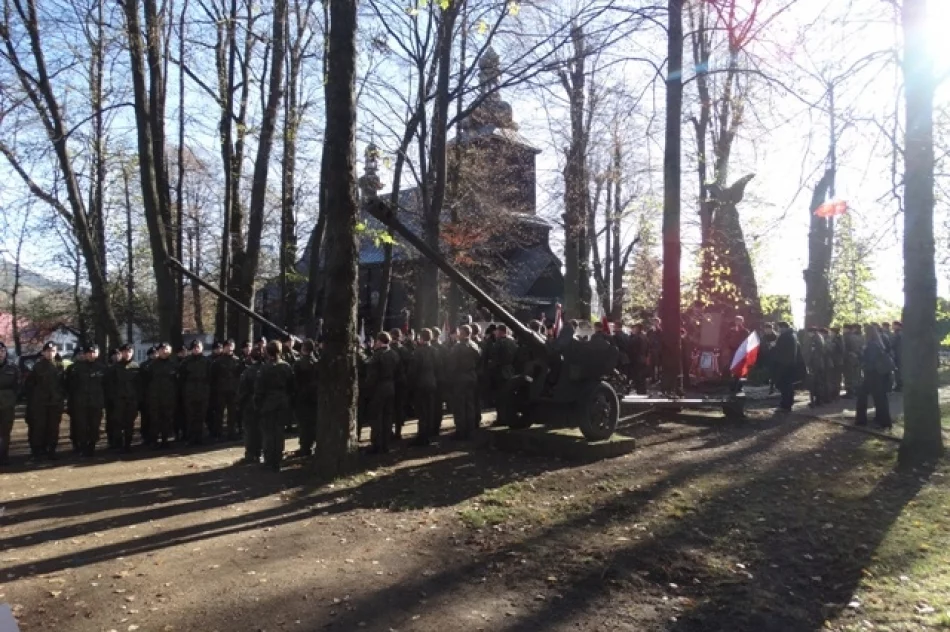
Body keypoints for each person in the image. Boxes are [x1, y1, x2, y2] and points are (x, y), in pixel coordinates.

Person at [255, 341, 295, 471]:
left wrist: (258, 404)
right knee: (279, 432)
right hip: (282, 402)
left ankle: (269, 460)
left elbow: (259, 389)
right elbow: (292, 386)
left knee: (268, 433)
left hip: (268, 403)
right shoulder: (286, 367)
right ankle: (277, 459)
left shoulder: (264, 369)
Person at [25, 342, 65, 460]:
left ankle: (51, 449)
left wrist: (60, 397)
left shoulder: (59, 365)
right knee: (39, 427)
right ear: (43, 352)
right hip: (40, 403)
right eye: (47, 351)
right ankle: (37, 451)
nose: (50, 353)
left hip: (55, 403)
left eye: (52, 351)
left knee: (53, 427)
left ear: (56, 352)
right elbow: (29, 385)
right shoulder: (37, 366)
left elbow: (63, 384)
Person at [69, 344, 106, 457]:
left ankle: (92, 446)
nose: (91, 355)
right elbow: (69, 386)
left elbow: (108, 385)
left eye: (93, 352)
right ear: (85, 354)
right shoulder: (75, 368)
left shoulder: (102, 368)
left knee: (95, 425)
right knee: (82, 426)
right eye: (88, 353)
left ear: (97, 353)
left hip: (96, 402)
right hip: (81, 403)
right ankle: (83, 447)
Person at [366, 332, 400, 454]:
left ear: (380, 341)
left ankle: (377, 444)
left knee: (377, 417)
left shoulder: (377, 356)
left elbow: (372, 376)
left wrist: (368, 389)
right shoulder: (394, 354)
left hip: (379, 388)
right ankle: (386, 443)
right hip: (391, 386)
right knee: (388, 416)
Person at [855, 324, 893, 430]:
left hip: (872, 374)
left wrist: (861, 357)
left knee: (866, 397)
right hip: (878, 374)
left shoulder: (871, 345)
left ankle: (862, 420)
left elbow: (870, 361)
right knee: (880, 398)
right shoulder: (878, 343)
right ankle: (883, 420)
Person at [448, 324, 481, 440]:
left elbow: (452, 365)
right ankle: (470, 429)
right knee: (470, 404)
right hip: (472, 376)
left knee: (460, 406)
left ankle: (461, 430)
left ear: (463, 334)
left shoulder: (457, 348)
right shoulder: (475, 346)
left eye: (459, 332)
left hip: (460, 377)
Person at [410, 329, 440, 446]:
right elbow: (438, 367)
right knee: (429, 410)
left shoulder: (418, 352)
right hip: (432, 382)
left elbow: (413, 371)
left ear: (421, 338)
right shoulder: (435, 351)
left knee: (421, 411)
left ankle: (422, 436)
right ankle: (428, 433)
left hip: (421, 384)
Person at [108, 343, 141, 451]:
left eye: (130, 351)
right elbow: (110, 385)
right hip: (119, 400)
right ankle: (118, 444)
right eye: (125, 352)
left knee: (130, 423)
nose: (127, 354)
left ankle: (128, 444)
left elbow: (141, 384)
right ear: (121, 353)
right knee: (117, 423)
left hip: (132, 400)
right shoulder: (114, 368)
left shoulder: (136, 367)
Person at [179, 340, 211, 444]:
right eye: (194, 347)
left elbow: (211, 377)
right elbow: (181, 378)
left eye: (198, 347)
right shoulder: (185, 362)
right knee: (190, 416)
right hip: (190, 393)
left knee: (201, 416)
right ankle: (191, 438)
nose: (196, 349)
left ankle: (200, 438)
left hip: (203, 392)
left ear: (202, 348)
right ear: (191, 349)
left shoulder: (207, 361)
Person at [147, 343, 178, 447]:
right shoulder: (152, 365)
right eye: (162, 349)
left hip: (169, 397)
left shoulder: (174, 365)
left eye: (166, 349)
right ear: (158, 351)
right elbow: (146, 381)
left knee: (167, 419)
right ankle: (153, 441)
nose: (164, 351)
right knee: (155, 419)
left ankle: (165, 440)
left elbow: (177, 381)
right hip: (155, 397)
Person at [211, 339, 242, 440]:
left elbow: (240, 375)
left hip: (233, 390)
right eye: (227, 346)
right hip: (221, 390)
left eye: (231, 345)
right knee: (219, 413)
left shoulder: (237, 360)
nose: (229, 348)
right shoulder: (217, 362)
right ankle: (217, 433)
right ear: (223, 348)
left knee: (232, 413)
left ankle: (231, 433)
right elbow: (213, 377)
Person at [293, 339, 319, 457]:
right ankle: (312, 445)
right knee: (312, 422)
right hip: (314, 396)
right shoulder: (316, 362)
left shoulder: (298, 364)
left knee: (303, 424)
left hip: (302, 396)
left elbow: (294, 381)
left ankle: (304, 447)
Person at [239, 349, 264, 464]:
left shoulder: (247, 372)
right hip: (264, 403)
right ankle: (260, 453)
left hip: (250, 404)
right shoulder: (266, 370)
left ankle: (250, 454)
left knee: (250, 430)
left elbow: (242, 390)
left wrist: (241, 403)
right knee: (262, 429)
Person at [0, 342, 21, 465]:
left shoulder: (12, 368)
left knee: (5, 431)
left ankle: (4, 455)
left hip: (7, 404)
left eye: (2, 351)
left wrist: (13, 398)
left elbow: (18, 386)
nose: (0, 354)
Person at [772, 322, 799, 412]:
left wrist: (774, 346)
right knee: (788, 385)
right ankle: (788, 402)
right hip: (791, 364)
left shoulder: (785, 336)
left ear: (783, 327)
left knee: (784, 385)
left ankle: (785, 404)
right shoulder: (793, 335)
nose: (778, 330)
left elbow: (780, 349)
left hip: (784, 364)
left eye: (779, 328)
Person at [806, 326, 827, 407]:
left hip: (816, 363)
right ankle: (819, 400)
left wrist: (809, 362)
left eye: (809, 332)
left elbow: (813, 352)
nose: (808, 334)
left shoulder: (815, 339)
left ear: (812, 332)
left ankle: (818, 400)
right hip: (819, 362)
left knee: (816, 383)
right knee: (819, 383)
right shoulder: (819, 337)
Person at [891, 321, 903, 392]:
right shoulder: (902, 333)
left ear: (897, 326)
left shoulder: (898, 334)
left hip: (898, 355)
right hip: (900, 354)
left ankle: (899, 385)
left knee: (898, 371)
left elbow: (893, 344)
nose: (892, 327)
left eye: (893, 325)